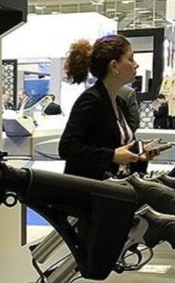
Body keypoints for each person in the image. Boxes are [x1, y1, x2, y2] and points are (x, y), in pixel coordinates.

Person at [58, 35, 160, 180]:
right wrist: (112, 156)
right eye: (130, 59)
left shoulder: (120, 103)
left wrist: (140, 156)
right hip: (89, 189)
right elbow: (67, 148)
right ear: (114, 66)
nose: (136, 64)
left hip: (112, 187)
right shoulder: (91, 100)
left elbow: (120, 150)